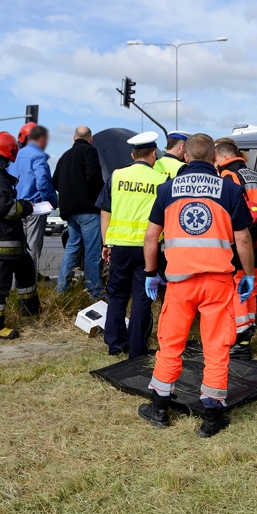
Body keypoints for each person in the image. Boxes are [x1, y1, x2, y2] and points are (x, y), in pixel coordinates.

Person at [138, 133, 256, 438]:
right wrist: (248, 274)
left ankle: (160, 409)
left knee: (171, 344)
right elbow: (243, 237)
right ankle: (211, 419)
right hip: (218, 281)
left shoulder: (167, 189)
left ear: (185, 157)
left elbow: (151, 237)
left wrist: (151, 272)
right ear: (214, 158)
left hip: (179, 283)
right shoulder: (229, 189)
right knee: (217, 347)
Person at [96, 131, 167, 357]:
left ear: (132, 154)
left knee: (117, 296)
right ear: (153, 153)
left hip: (120, 248)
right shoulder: (162, 180)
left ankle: (115, 344)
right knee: (142, 298)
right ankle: (138, 348)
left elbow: (105, 212)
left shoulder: (116, 176)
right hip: (149, 248)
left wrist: (106, 243)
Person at [0, 131, 41, 339]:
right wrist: (27, 207)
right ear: (9, 151)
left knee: (26, 271)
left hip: (8, 239)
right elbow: (6, 209)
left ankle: (30, 310)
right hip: (0, 241)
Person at [214, 138, 257, 360]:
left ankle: (239, 342)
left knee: (237, 290)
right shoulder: (255, 175)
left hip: (241, 239)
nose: (215, 163)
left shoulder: (228, 175)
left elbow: (227, 209)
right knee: (250, 290)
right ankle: (246, 338)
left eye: (217, 158)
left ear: (226, 157)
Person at [53, 126, 105, 298]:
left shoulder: (64, 156)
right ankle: (95, 291)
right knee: (92, 252)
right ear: (91, 139)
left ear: (73, 138)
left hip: (70, 211)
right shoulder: (90, 151)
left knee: (72, 248)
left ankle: (61, 289)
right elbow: (93, 175)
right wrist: (101, 194)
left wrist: (69, 192)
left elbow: (55, 182)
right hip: (88, 210)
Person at [9, 124, 56, 277]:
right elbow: (42, 181)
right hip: (35, 206)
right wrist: (50, 202)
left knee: (21, 246)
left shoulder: (15, 155)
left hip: (17, 205)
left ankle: (22, 279)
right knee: (33, 246)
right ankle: (30, 282)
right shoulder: (37, 155)